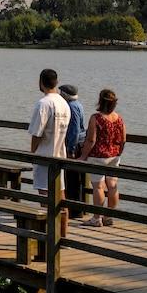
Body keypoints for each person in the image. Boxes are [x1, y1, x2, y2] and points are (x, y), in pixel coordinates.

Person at [28, 68, 71, 238]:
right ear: (57, 82)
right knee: (60, 196)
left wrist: (32, 153)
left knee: (45, 198)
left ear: (41, 82)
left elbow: (36, 133)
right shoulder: (63, 103)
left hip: (45, 155)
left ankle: (48, 236)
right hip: (60, 155)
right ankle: (63, 235)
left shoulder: (43, 103)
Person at [79, 89, 126, 227]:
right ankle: (109, 217)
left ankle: (96, 218)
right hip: (114, 156)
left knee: (98, 186)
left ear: (100, 101)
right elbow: (123, 139)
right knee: (112, 186)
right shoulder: (119, 118)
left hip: (98, 156)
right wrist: (119, 152)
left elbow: (91, 140)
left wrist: (83, 156)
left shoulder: (96, 118)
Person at [60, 84, 88, 219]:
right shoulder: (78, 104)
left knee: (72, 179)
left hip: (75, 145)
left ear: (65, 95)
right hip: (80, 143)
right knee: (77, 178)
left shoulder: (71, 107)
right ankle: (79, 208)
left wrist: (70, 150)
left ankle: (75, 210)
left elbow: (75, 130)